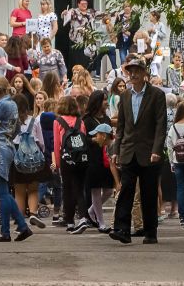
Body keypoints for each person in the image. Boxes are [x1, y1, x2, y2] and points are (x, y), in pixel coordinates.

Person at [109, 57, 167, 245]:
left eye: (137, 71)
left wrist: (157, 149)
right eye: (130, 71)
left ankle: (150, 232)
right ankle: (122, 229)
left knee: (148, 193)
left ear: (144, 73)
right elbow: (122, 127)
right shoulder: (125, 96)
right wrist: (116, 150)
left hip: (149, 152)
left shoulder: (156, 95)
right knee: (126, 189)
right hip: (128, 150)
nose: (133, 74)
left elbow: (160, 125)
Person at [0, 76, 33, 243]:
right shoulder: (12, 103)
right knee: (3, 190)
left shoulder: (0, 104)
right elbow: (18, 127)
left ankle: (17, 227)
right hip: (9, 145)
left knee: (2, 192)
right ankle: (10, 229)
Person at [52, 95, 90, 234]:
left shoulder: (58, 122)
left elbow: (57, 144)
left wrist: (57, 163)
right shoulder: (80, 121)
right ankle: (83, 217)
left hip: (66, 159)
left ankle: (70, 221)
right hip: (81, 158)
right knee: (80, 189)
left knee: (67, 190)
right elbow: (84, 140)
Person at [10, 94, 47, 229]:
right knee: (33, 188)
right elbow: (41, 142)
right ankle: (32, 213)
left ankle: (20, 219)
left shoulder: (12, 121)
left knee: (19, 190)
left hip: (17, 158)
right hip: (33, 159)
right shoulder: (35, 120)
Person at [82, 91, 115, 232]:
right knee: (95, 190)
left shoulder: (106, 118)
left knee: (108, 190)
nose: (107, 103)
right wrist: (94, 140)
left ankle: (92, 210)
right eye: (104, 100)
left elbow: (110, 136)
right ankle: (101, 222)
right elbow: (83, 139)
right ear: (97, 102)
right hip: (92, 158)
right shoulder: (87, 120)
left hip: (106, 158)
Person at [62, 0, 95, 75]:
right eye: (82, 4)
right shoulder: (73, 11)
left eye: (86, 4)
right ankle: (75, 76)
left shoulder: (90, 12)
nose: (84, 5)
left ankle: (86, 75)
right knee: (76, 59)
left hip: (87, 39)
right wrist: (64, 13)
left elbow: (102, 14)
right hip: (75, 39)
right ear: (78, 4)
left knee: (87, 58)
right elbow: (65, 16)